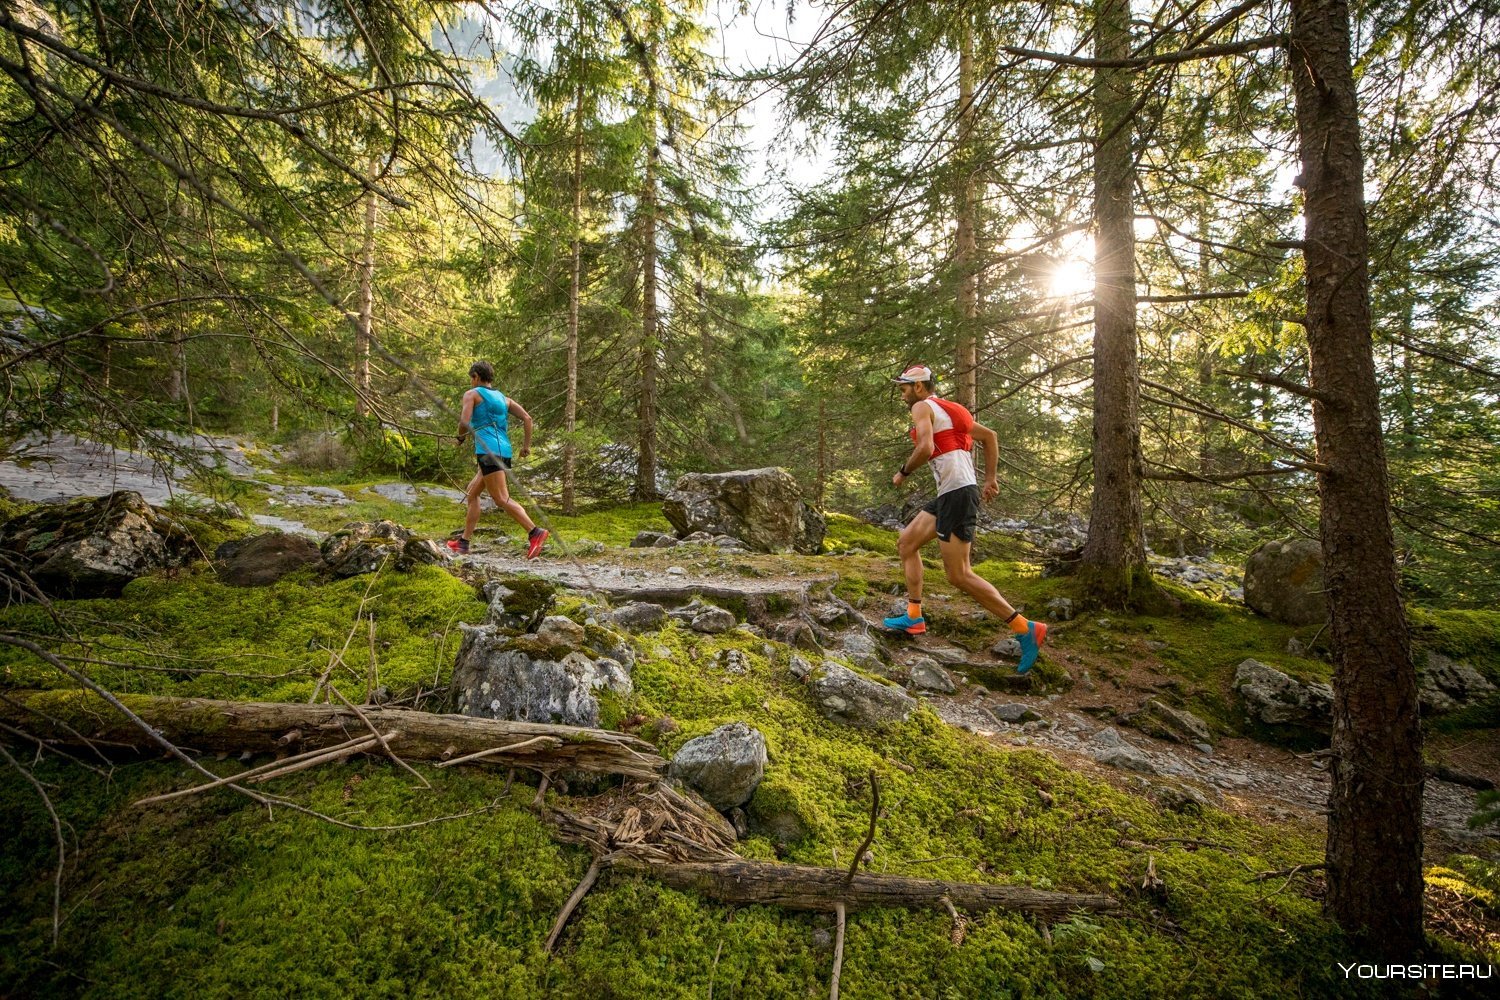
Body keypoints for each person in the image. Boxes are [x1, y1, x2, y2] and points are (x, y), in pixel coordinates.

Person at [881, 364, 1047, 673]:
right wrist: (990, 479)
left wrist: (903, 473)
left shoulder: (921, 407)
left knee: (959, 575)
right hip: (952, 493)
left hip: (957, 496)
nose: (901, 393)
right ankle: (914, 616)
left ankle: (1026, 628)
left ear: (919, 387)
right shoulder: (951, 410)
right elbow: (990, 437)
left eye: (903, 387)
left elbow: (926, 446)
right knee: (906, 543)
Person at [446, 361, 548, 558]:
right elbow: (527, 418)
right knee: (472, 493)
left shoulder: (472, 394)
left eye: (471, 378)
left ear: (475, 376)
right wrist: (526, 446)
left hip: (488, 450)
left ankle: (535, 532)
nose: (470, 381)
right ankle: (464, 543)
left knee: (501, 498)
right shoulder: (504, 399)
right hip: (503, 449)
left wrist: (459, 438)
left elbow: (464, 422)